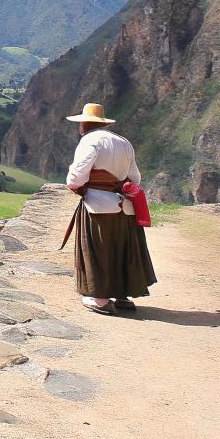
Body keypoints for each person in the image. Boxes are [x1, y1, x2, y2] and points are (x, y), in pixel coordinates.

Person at [61, 103, 156, 315]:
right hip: (125, 206)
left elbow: (76, 177)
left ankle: (101, 299)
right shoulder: (123, 142)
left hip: (98, 204)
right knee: (123, 248)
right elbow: (135, 178)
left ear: (84, 125)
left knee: (98, 250)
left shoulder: (89, 142)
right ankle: (123, 296)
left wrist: (80, 188)